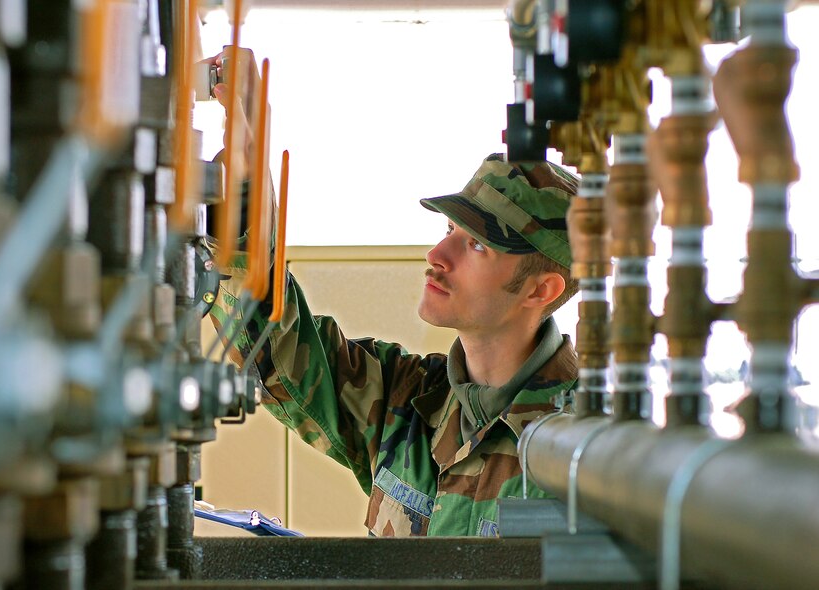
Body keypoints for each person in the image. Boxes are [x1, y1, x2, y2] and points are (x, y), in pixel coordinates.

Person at [211, 153, 580, 537]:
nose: (436, 255)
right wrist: (243, 197)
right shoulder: (408, 398)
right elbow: (278, 350)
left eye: (476, 245)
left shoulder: (592, 451)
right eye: (450, 228)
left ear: (540, 289)